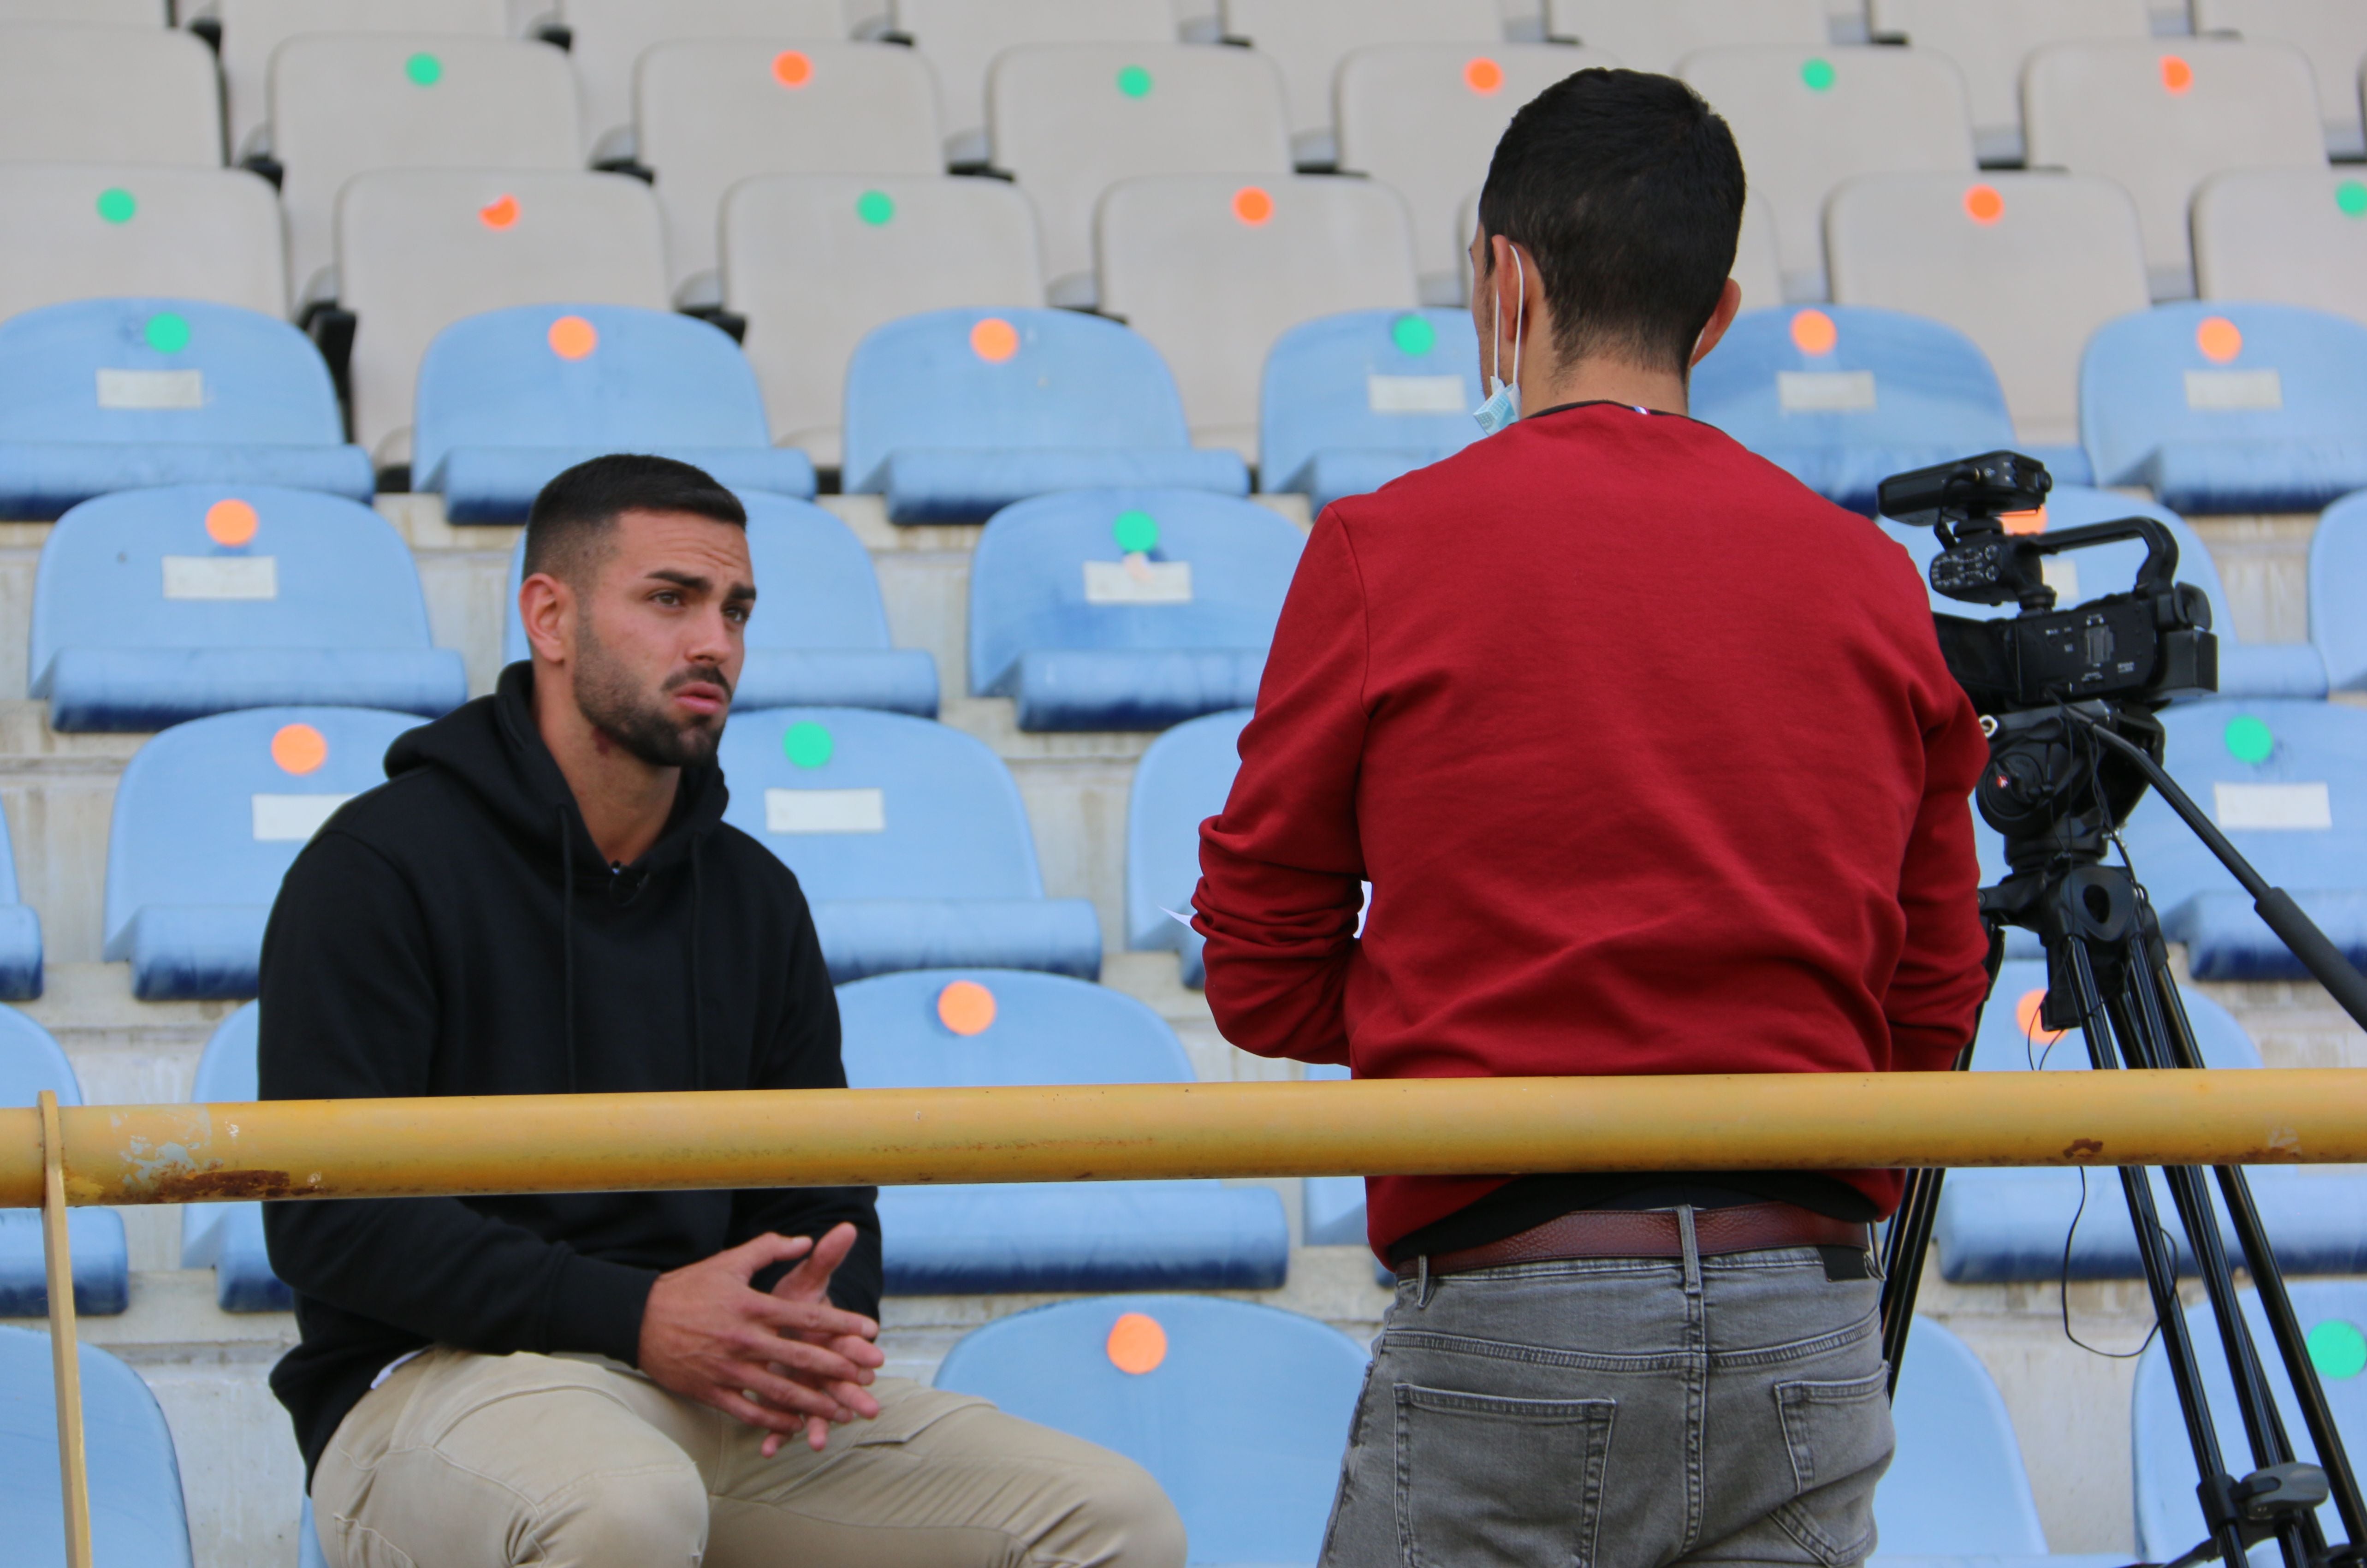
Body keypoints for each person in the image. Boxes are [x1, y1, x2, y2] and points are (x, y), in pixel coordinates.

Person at [1192, 69, 1990, 1568]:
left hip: (1512, 1295)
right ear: (1721, 310)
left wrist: (1483, 1016)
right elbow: (1933, 992)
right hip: (1801, 1313)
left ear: (1502, 278)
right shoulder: (1869, 578)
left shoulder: (1383, 550)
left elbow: (1255, 961)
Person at [261, 455, 1184, 1568]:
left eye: (735, 609)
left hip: (708, 1393)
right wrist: (635, 1315)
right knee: (624, 1507)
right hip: (430, 1384)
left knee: (1109, 1516)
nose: (715, 643)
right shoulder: (376, 865)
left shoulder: (751, 893)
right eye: (670, 599)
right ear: (548, 617)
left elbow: (822, 1186)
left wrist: (809, 1319)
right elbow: (331, 1219)